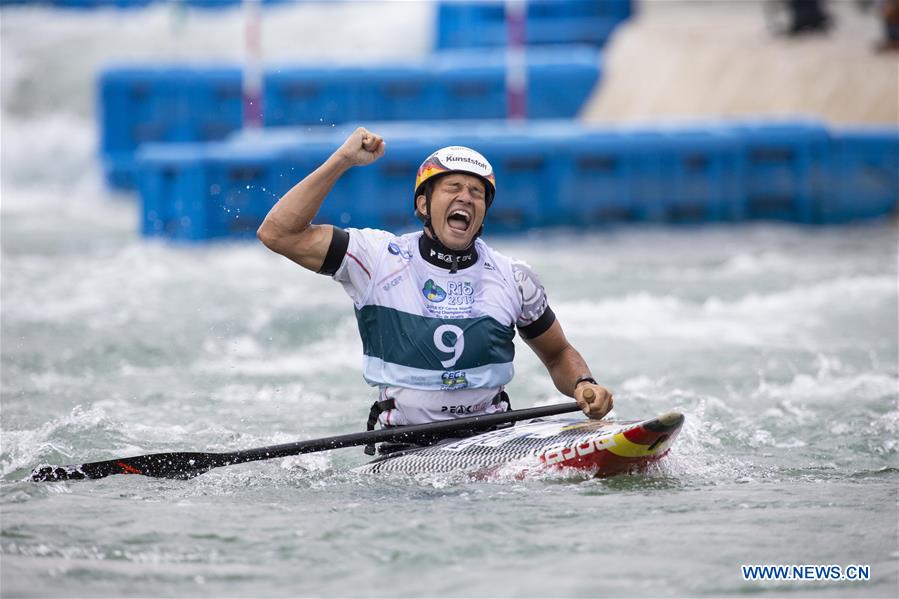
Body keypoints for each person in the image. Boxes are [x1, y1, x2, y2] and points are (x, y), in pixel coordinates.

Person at [257, 127, 613, 453]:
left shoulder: (514, 276)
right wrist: (342, 160)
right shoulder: (377, 257)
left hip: (493, 440)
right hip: (402, 447)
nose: (466, 197)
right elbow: (278, 233)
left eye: (477, 192)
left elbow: (557, 354)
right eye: (452, 188)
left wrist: (584, 383)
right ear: (423, 204)